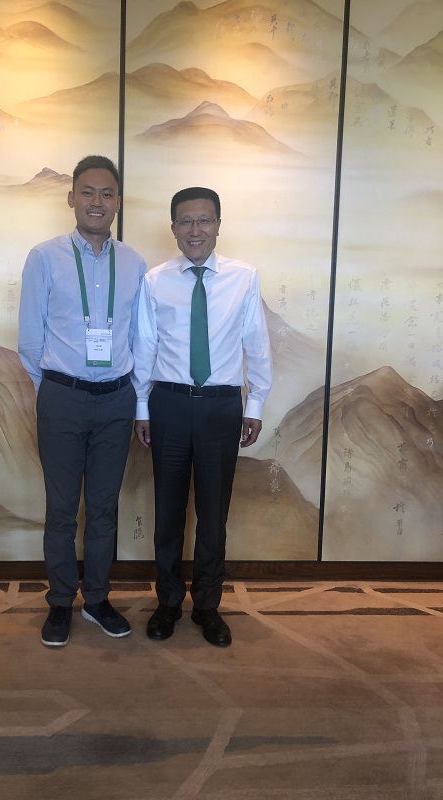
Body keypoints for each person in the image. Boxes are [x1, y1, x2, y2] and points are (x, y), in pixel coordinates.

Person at [132, 186, 273, 647]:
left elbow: (257, 344)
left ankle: (208, 605)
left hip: (220, 407)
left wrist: (255, 404)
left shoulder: (244, 277)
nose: (196, 230)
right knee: (169, 513)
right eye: (186, 221)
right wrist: (141, 407)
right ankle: (169, 601)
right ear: (173, 227)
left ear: (218, 225)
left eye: (205, 220)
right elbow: (145, 346)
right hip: (169, 405)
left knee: (213, 515)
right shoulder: (155, 281)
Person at [18, 155, 146, 647]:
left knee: (104, 507)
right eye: (88, 192)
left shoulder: (134, 263)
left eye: (107, 193)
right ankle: (59, 602)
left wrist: (134, 398)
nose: (97, 201)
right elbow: (31, 339)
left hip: (116, 400)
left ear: (118, 202)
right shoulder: (44, 257)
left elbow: (138, 338)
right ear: (71, 198)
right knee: (61, 509)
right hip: (63, 397)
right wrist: (55, 390)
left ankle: (96, 599)